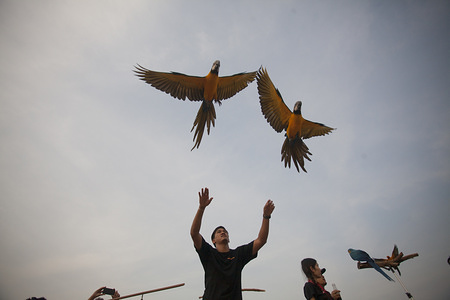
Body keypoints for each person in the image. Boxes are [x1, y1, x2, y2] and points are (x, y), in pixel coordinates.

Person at [190, 187, 275, 300]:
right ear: (213, 241)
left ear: (229, 238)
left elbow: (261, 240)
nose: (223, 232)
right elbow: (194, 233)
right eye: (219, 232)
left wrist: (266, 217)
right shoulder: (208, 253)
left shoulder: (239, 254)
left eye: (225, 231)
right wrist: (201, 208)